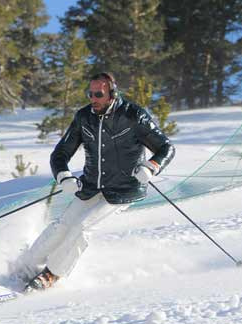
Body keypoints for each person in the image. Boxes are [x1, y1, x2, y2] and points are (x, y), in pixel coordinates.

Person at [19, 72, 175, 293]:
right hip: (91, 186)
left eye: (98, 94)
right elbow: (60, 153)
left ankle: (51, 275)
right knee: (61, 226)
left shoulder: (133, 116)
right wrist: (64, 176)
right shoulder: (84, 117)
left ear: (112, 94)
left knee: (83, 228)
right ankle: (25, 267)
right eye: (90, 93)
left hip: (124, 189)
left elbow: (166, 147)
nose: (93, 98)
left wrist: (152, 166)